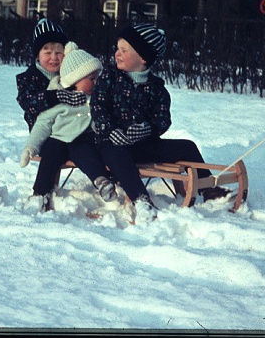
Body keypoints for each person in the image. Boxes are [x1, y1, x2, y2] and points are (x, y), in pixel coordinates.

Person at [90, 22, 229, 223]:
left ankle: (208, 189)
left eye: (124, 50)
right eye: (117, 49)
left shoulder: (157, 88)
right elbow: (98, 106)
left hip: (143, 146)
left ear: (143, 58)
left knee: (187, 146)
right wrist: (110, 130)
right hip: (110, 145)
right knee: (117, 153)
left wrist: (148, 129)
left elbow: (163, 119)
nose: (117, 54)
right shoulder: (109, 78)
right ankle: (141, 200)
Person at [19, 42, 117, 206]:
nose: (96, 82)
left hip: (83, 139)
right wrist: (31, 147)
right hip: (58, 138)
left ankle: (101, 181)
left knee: (85, 154)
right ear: (74, 80)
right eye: (91, 79)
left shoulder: (97, 97)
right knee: (50, 155)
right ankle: (39, 194)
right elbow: (43, 123)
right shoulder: (59, 98)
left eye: (97, 78)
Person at [16, 18, 87, 211]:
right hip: (44, 134)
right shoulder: (28, 79)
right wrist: (57, 96)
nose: (54, 57)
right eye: (47, 52)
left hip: (73, 129)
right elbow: (28, 101)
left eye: (59, 52)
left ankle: (107, 183)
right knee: (54, 148)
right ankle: (40, 193)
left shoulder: (71, 74)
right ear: (37, 55)